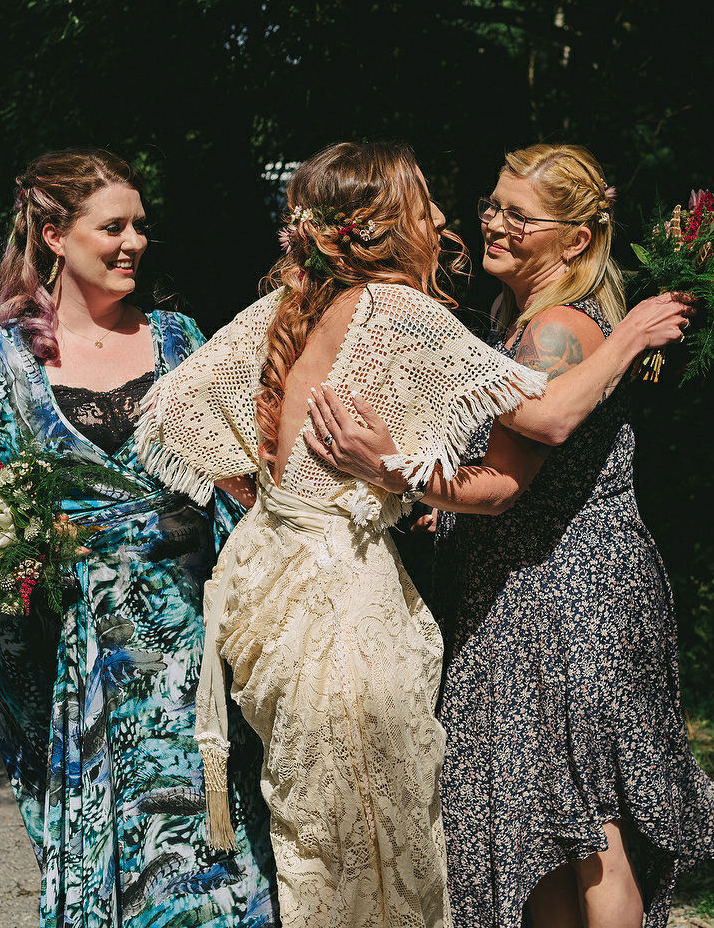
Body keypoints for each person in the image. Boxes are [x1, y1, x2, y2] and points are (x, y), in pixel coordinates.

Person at [131, 141, 581, 928]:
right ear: (384, 227)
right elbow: (542, 413)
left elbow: (174, 403)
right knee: (378, 831)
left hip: (271, 582)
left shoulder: (296, 307)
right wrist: (631, 339)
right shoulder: (393, 308)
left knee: (319, 837)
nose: (444, 218)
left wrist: (278, 493)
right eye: (425, 203)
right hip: (338, 602)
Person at [306, 144, 714, 928]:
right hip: (527, 587)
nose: (494, 225)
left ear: (574, 240)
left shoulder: (556, 329)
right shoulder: (525, 321)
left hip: (561, 594)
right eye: (492, 205)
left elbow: (510, 479)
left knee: (585, 828)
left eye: (518, 214)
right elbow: (505, 467)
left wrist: (390, 466)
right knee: (539, 825)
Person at [0, 148, 276, 928]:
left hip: (191, 639)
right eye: (111, 226)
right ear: (54, 234)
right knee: (112, 849)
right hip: (69, 652)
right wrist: (25, 548)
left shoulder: (181, 338)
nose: (133, 243)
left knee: (208, 840)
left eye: (140, 227)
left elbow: (247, 468)